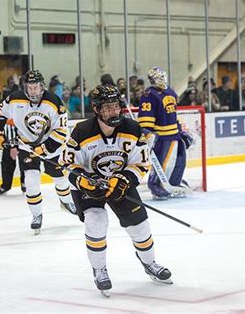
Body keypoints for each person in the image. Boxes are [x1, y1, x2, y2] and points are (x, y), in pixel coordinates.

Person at [64, 85, 172, 297]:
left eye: (116, 107)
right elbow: (67, 166)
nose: (113, 112)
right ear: (96, 109)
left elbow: (140, 164)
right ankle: (99, 270)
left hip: (119, 183)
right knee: (96, 220)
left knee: (140, 226)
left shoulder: (133, 128)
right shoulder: (82, 131)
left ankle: (150, 263)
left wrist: (124, 179)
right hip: (90, 184)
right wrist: (86, 182)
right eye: (107, 108)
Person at [0, 70, 76, 235]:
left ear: (42, 86)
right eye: (29, 87)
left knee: (59, 178)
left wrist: (44, 148)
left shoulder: (53, 102)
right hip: (26, 147)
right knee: (30, 182)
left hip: (51, 147)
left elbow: (62, 131)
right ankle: (37, 216)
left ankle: (66, 202)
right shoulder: (15, 99)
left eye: (36, 87)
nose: (33, 91)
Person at [138, 67, 189, 200]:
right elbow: (146, 119)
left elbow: (173, 114)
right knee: (163, 162)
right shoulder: (148, 95)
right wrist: (147, 134)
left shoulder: (171, 92)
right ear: (152, 80)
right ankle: (157, 186)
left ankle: (173, 182)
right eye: (159, 78)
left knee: (179, 160)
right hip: (162, 137)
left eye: (163, 77)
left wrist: (180, 130)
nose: (162, 80)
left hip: (175, 135)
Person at [0, 121, 26, 196]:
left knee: (26, 162)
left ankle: (25, 183)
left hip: (24, 141)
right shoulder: (7, 111)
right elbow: (7, 126)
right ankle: (6, 186)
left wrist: (12, 146)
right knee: (7, 164)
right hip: (10, 142)